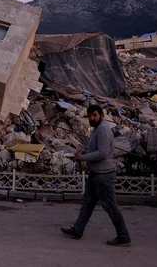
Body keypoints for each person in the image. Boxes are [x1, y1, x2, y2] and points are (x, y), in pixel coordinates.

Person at [60, 104, 131, 246]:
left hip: (104, 175)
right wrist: (83, 153)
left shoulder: (103, 130)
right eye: (90, 116)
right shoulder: (98, 129)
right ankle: (78, 230)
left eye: (95, 115)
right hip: (96, 173)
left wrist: (82, 158)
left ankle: (123, 236)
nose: (92, 118)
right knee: (87, 203)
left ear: (102, 116)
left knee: (110, 205)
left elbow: (102, 153)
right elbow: (95, 149)